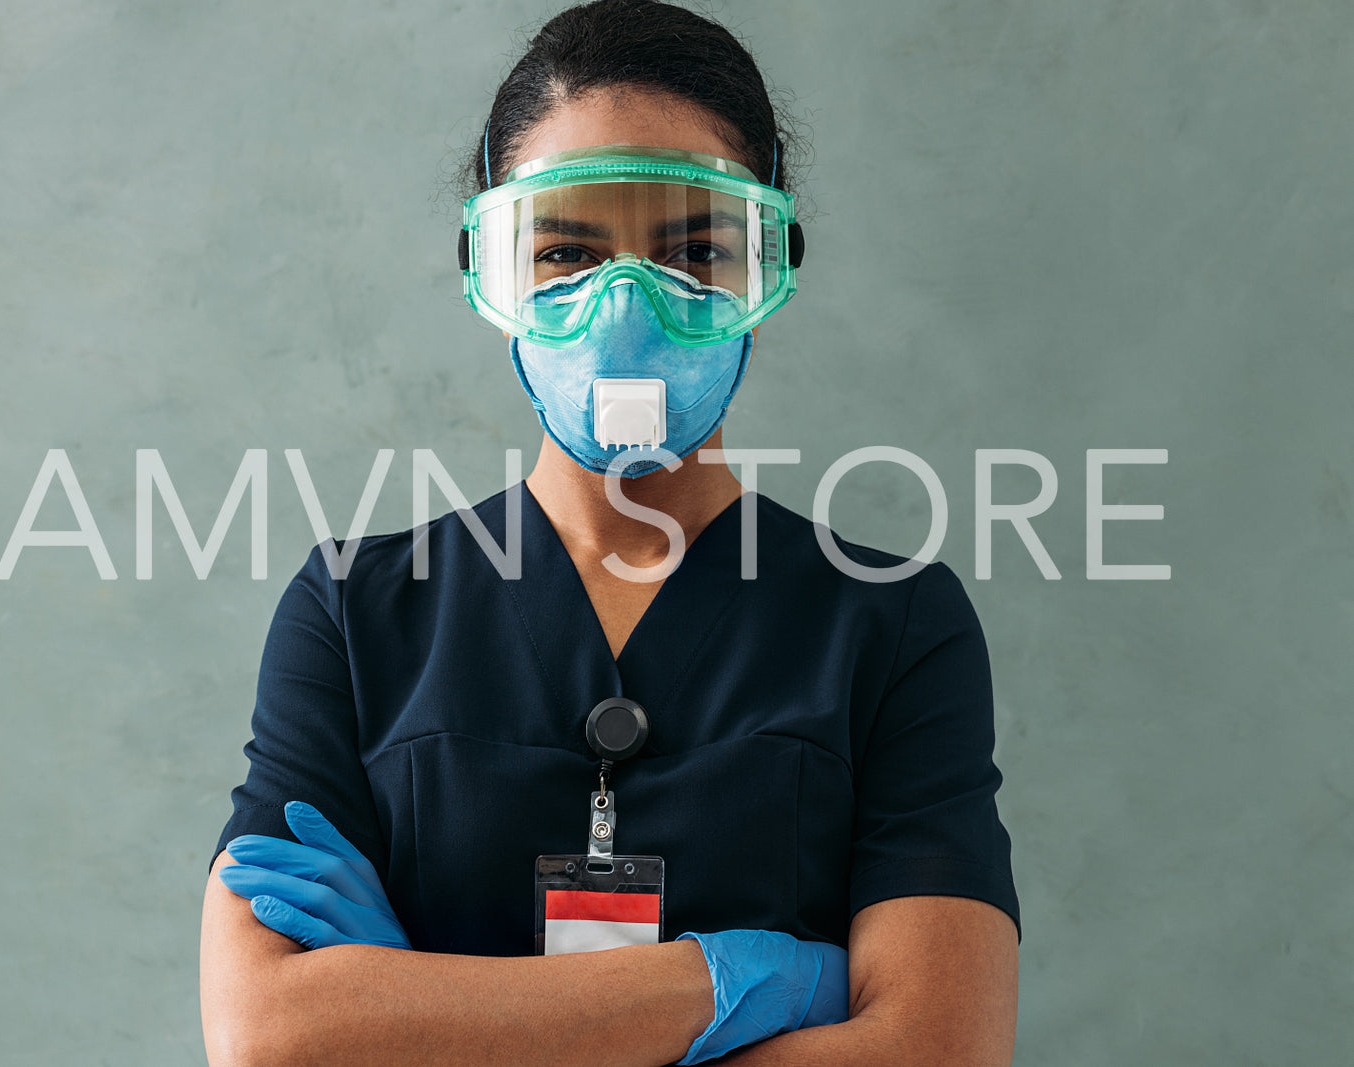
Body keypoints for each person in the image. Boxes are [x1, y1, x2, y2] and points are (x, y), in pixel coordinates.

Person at [199, 2, 1021, 1064]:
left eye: (693, 251)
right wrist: (722, 980)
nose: (623, 307)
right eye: (562, 254)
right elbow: (268, 1033)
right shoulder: (356, 612)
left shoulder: (894, 624)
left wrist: (419, 1020)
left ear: (765, 273)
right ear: (488, 273)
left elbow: (936, 1051)